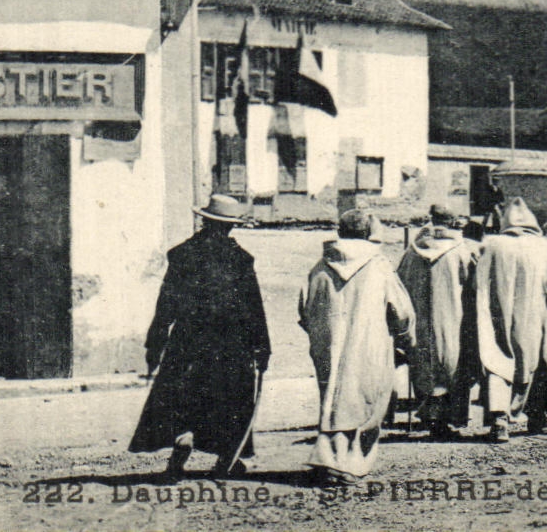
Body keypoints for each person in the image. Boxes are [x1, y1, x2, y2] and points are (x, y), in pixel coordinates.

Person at [129, 194, 270, 480]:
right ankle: (225, 460)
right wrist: (262, 348)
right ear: (230, 226)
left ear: (205, 220)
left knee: (185, 397)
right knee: (229, 401)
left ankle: (181, 446)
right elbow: (253, 307)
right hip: (232, 344)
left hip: (188, 341)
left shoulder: (182, 254)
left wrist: (154, 343)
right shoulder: (240, 259)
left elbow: (165, 303)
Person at [299, 209, 416, 484]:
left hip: (328, 344)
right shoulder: (379, 265)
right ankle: (348, 462)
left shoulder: (320, 265)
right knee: (363, 399)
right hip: (370, 343)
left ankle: (328, 456)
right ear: (367, 233)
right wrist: (405, 337)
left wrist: (320, 333)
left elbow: (305, 308)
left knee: (333, 398)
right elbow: (400, 310)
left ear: (340, 232)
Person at [475, 198, 547, 442]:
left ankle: (500, 421)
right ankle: (540, 417)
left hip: (496, 317)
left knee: (498, 363)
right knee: (541, 365)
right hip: (536, 318)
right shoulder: (544, 247)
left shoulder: (491, 246)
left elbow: (476, 284)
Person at [395, 205, 481, 438]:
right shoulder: (464, 251)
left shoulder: (411, 252)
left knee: (423, 363)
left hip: (420, 322)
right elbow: (476, 287)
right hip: (455, 320)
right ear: (454, 223)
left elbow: (399, 284)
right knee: (454, 364)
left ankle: (430, 418)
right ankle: (452, 419)